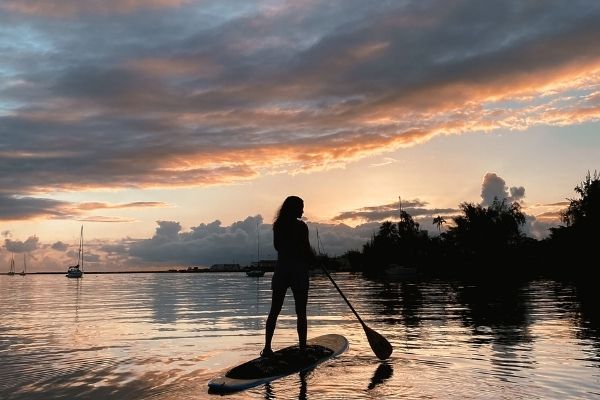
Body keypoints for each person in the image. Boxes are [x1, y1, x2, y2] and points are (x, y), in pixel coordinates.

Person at [261, 195, 316, 357]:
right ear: (294, 208)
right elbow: (306, 249)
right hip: (298, 271)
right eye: (301, 207)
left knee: (274, 311)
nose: (303, 210)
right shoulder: (301, 227)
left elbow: (277, 247)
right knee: (301, 312)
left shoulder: (278, 225)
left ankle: (267, 348)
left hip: (282, 270)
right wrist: (314, 259)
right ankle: (303, 349)